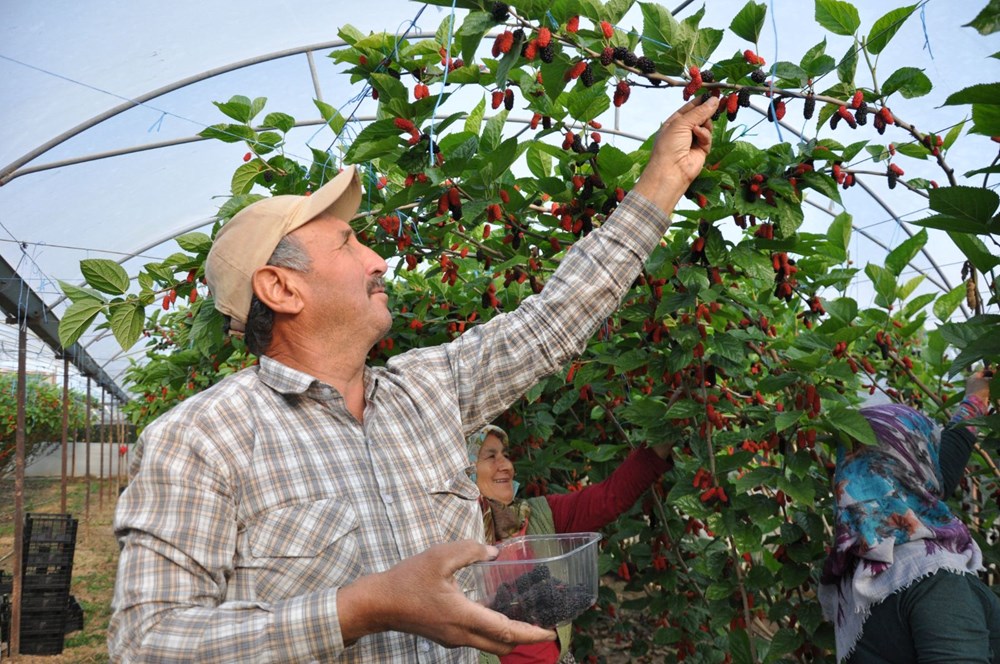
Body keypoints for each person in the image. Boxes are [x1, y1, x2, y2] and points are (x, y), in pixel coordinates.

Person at [108, 95, 719, 664]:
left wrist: (663, 180)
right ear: (282, 288)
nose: (379, 260)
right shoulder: (198, 439)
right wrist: (360, 608)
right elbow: (146, 642)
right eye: (348, 244)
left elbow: (553, 320)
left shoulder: (431, 390)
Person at [819, 371, 998, 663]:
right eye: (927, 453)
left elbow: (941, 477)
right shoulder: (934, 579)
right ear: (918, 469)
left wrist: (976, 398)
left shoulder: (860, 575)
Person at [468, 425, 673, 664]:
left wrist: (666, 430)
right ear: (465, 469)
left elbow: (610, 497)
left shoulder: (541, 516)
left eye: (505, 455)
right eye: (491, 457)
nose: (506, 465)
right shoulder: (450, 536)